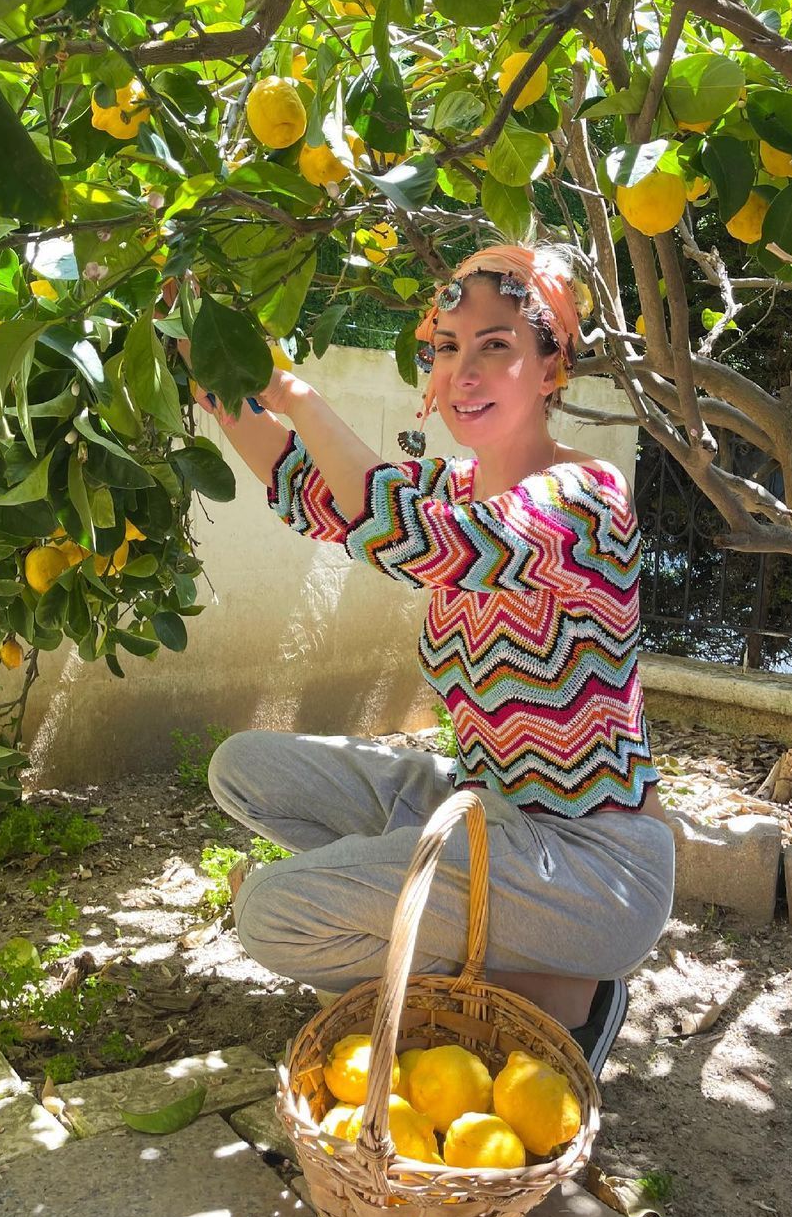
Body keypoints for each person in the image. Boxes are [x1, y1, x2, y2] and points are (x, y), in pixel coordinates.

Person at [175, 242, 675, 1077]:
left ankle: (560, 990)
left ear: (551, 370)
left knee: (267, 915)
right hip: (484, 806)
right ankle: (497, 958)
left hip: (592, 864)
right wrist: (220, 381)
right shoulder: (455, 484)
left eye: (495, 346)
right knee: (243, 768)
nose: (464, 372)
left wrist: (294, 390)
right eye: (447, 347)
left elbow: (424, 539)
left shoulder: (586, 495)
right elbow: (315, 492)